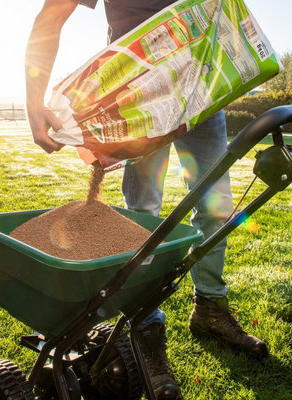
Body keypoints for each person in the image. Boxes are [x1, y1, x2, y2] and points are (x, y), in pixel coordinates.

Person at [25, 1, 269, 399]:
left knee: (216, 206)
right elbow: (52, 13)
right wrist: (35, 101)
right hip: (139, 96)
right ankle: (146, 329)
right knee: (142, 217)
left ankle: (210, 308)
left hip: (202, 85)